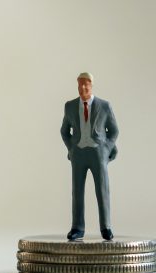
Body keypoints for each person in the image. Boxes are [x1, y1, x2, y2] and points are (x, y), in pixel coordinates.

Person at [60, 72, 119, 241]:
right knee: (77, 191)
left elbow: (114, 131)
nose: (82, 88)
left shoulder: (104, 106)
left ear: (91, 85)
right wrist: (71, 148)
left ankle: (106, 226)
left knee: (102, 190)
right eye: (79, 85)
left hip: (97, 153)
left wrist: (106, 148)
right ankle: (77, 227)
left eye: (85, 85)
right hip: (78, 153)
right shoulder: (70, 106)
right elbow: (64, 131)